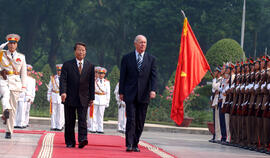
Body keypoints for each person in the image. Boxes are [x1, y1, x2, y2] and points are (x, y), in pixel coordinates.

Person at [119, 35, 157, 152]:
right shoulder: (127, 58)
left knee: (140, 121)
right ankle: (129, 144)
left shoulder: (151, 59)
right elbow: (123, 76)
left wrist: (153, 90)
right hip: (130, 94)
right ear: (135, 44)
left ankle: (135, 143)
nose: (143, 45)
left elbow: (153, 77)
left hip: (144, 94)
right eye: (140, 42)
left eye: (145, 43)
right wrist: (121, 92)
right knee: (131, 119)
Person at [60, 42, 95, 148]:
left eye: (83, 50)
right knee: (70, 120)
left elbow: (91, 83)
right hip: (69, 96)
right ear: (75, 51)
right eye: (79, 50)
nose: (81, 52)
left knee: (82, 119)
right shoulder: (67, 65)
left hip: (84, 97)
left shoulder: (90, 66)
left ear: (86, 52)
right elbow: (63, 80)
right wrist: (63, 92)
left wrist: (92, 97)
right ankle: (70, 141)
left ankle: (82, 139)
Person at [0, 34, 27, 139]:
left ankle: (9, 130)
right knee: (6, 102)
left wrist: (24, 88)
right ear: (7, 44)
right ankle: (5, 112)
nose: (12, 45)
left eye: (14, 43)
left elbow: (23, 73)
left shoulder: (21, 57)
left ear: (16, 45)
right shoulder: (1, 54)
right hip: (3, 80)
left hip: (15, 83)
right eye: (10, 43)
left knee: (13, 109)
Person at [15, 64, 36, 128]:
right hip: (19, 95)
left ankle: (23, 123)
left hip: (27, 96)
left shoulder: (32, 80)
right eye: (26, 70)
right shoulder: (19, 77)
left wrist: (32, 98)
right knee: (17, 110)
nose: (27, 72)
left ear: (30, 71)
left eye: (28, 71)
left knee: (24, 110)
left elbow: (33, 90)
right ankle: (16, 123)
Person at [92, 67, 110, 134]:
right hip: (96, 98)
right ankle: (93, 128)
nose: (101, 75)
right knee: (94, 114)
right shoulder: (94, 81)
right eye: (100, 73)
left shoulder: (107, 82)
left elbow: (108, 93)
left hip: (103, 99)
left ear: (104, 74)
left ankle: (100, 128)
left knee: (101, 115)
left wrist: (107, 102)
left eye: (102, 74)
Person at [47, 64, 65, 131]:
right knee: (54, 112)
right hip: (54, 95)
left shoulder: (65, 78)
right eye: (58, 70)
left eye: (60, 70)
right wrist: (49, 96)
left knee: (60, 112)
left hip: (61, 97)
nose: (59, 72)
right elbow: (50, 88)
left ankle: (59, 126)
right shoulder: (53, 78)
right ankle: (53, 125)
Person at [87, 66, 101, 132]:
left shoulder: (103, 81)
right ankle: (91, 127)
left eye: (98, 72)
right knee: (91, 113)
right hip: (90, 98)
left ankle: (97, 128)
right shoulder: (90, 80)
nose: (97, 74)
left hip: (99, 99)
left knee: (99, 114)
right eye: (95, 72)